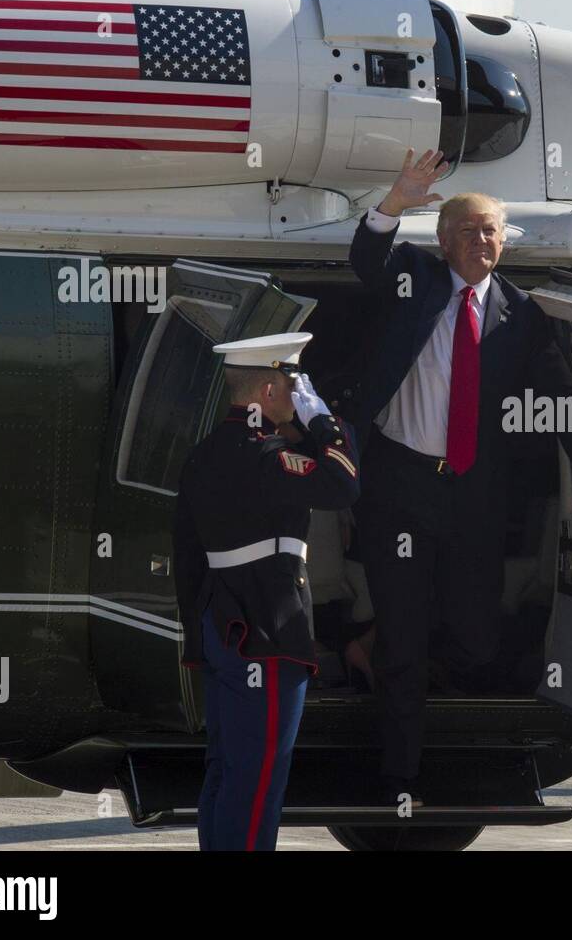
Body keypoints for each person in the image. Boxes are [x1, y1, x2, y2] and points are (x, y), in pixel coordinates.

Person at [347, 148, 572, 803]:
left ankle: (372, 647)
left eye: (490, 230)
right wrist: (395, 201)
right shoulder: (415, 279)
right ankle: (400, 777)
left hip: (474, 492)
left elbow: (563, 401)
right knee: (408, 637)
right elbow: (366, 262)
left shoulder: (522, 315)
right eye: (466, 230)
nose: (480, 240)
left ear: (504, 242)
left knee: (475, 631)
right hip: (403, 485)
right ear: (443, 242)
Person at [172, 332, 360, 851]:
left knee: (226, 773)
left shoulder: (203, 456)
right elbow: (344, 483)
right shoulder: (269, 456)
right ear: (272, 391)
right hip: (268, 634)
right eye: (292, 385)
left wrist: (200, 633)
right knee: (257, 786)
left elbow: (187, 560)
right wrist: (323, 420)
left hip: (220, 629)